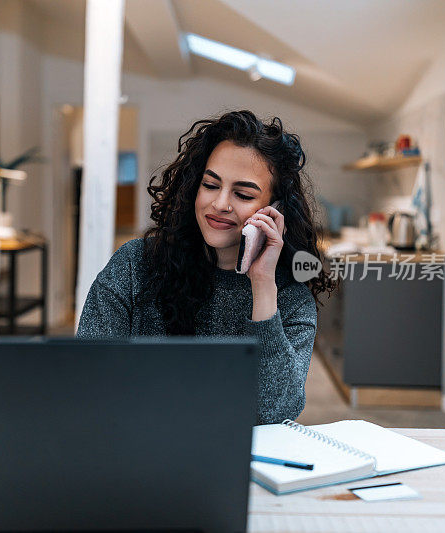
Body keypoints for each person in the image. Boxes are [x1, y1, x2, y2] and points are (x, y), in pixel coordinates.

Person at [76, 110, 336, 424]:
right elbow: (87, 379)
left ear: (275, 210)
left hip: (242, 463)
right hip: (138, 449)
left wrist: (263, 284)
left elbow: (275, 412)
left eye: (242, 194)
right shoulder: (135, 265)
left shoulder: (290, 297)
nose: (220, 204)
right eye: (210, 185)